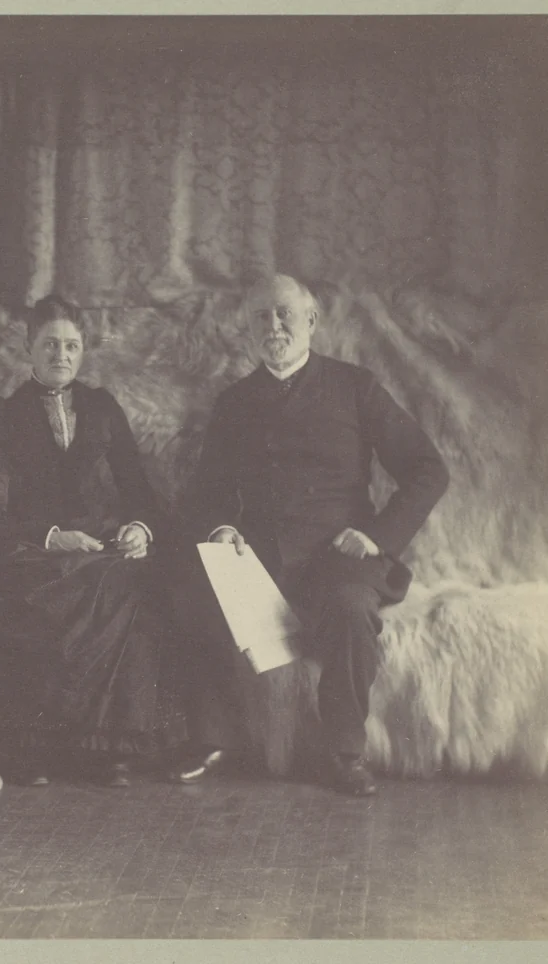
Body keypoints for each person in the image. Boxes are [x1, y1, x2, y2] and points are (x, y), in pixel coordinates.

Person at [182, 274, 449, 796]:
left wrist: (377, 536)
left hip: (339, 556)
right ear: (248, 328)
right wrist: (223, 528)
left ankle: (345, 752)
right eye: (261, 316)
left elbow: (428, 469)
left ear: (311, 320)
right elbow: (206, 492)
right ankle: (211, 740)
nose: (274, 326)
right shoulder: (234, 402)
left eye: (284, 313)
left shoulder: (356, 387)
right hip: (259, 558)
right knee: (189, 593)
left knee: (351, 606)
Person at [0, 295, 186, 787]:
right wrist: (51, 537)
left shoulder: (102, 408)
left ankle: (109, 747)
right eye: (50, 344)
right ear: (29, 347)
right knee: (57, 592)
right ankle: (38, 748)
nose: (61, 355)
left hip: (98, 545)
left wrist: (139, 529)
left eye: (71, 346)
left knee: (132, 581)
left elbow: (139, 492)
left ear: (84, 350)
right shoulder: (5, 416)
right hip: (30, 550)